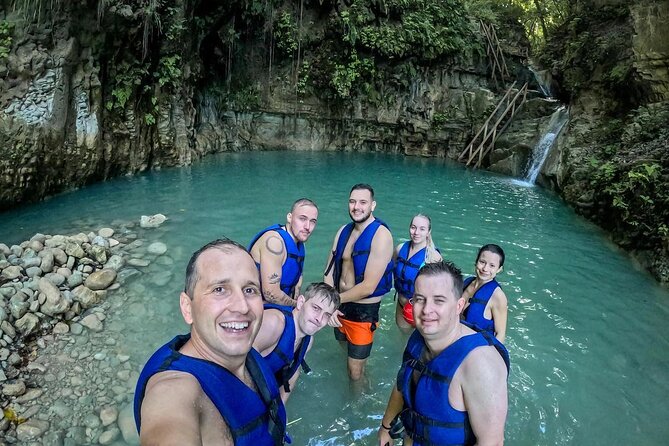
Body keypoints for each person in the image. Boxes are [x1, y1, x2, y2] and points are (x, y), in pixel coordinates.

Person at [134, 239, 286, 446]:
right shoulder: (174, 391)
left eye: (250, 290)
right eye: (219, 290)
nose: (242, 307)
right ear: (188, 308)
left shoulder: (248, 349)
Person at [378, 261, 509, 446]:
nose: (426, 310)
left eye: (439, 300)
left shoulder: (480, 364)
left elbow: (492, 442)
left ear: (459, 306)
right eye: (420, 299)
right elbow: (402, 383)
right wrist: (385, 427)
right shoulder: (418, 339)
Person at [324, 183, 394, 381]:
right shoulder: (342, 232)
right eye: (352, 201)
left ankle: (358, 407)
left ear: (373, 205)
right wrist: (330, 304)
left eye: (363, 202)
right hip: (339, 308)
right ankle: (362, 370)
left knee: (354, 373)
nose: (357, 207)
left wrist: (334, 300)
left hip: (363, 312)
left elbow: (368, 286)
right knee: (345, 352)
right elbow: (329, 271)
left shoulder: (381, 235)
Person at [253, 282, 340, 403]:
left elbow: (293, 372)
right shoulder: (274, 323)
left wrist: (279, 411)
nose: (319, 319)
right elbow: (234, 361)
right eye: (315, 308)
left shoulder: (307, 340)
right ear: (300, 302)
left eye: (326, 315)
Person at [249, 198, 319, 307]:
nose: (307, 227)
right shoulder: (274, 242)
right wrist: (298, 305)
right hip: (257, 307)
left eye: (312, 221)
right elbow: (270, 294)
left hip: (280, 305)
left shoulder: (300, 242)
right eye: (302, 219)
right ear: (289, 218)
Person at [392, 213, 442, 333]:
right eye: (413, 227)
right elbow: (390, 268)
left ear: (428, 232)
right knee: (402, 339)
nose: (416, 232)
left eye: (422, 229)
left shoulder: (433, 257)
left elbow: (441, 289)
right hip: (402, 304)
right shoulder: (400, 248)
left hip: (423, 310)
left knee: (420, 344)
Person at [461, 244, 508, 343]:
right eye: (482, 262)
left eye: (492, 266)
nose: (485, 269)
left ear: (499, 269)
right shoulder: (467, 283)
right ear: (476, 261)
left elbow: (500, 334)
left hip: (477, 349)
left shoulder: (498, 296)